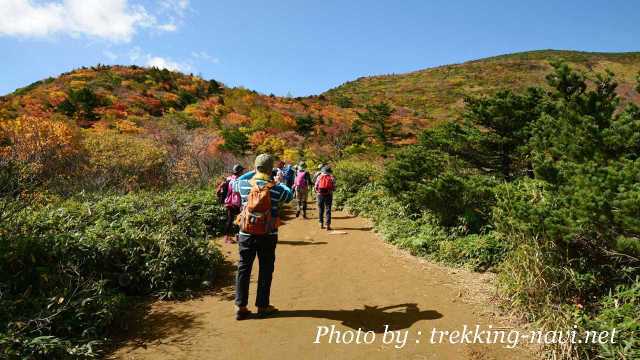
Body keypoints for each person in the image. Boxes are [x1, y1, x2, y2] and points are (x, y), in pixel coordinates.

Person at [232, 154, 293, 320]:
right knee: (266, 269)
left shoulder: (243, 184)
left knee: (244, 268)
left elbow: (235, 181)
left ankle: (241, 306)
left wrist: (251, 172)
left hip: (246, 234)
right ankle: (262, 306)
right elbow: (289, 196)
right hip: (268, 234)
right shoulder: (275, 188)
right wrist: (280, 180)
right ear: (270, 169)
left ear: (256, 167)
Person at [222, 164, 244, 243]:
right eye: (242, 171)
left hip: (228, 202)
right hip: (236, 203)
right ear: (239, 172)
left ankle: (228, 237)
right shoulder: (240, 180)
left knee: (230, 220)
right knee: (238, 219)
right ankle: (234, 237)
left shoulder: (228, 179)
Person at [315, 166, 336, 231]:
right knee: (328, 209)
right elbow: (334, 187)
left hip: (320, 195)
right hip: (329, 195)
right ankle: (328, 225)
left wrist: (317, 192)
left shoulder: (319, 176)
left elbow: (315, 186)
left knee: (321, 209)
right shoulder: (331, 177)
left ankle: (321, 223)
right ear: (329, 171)